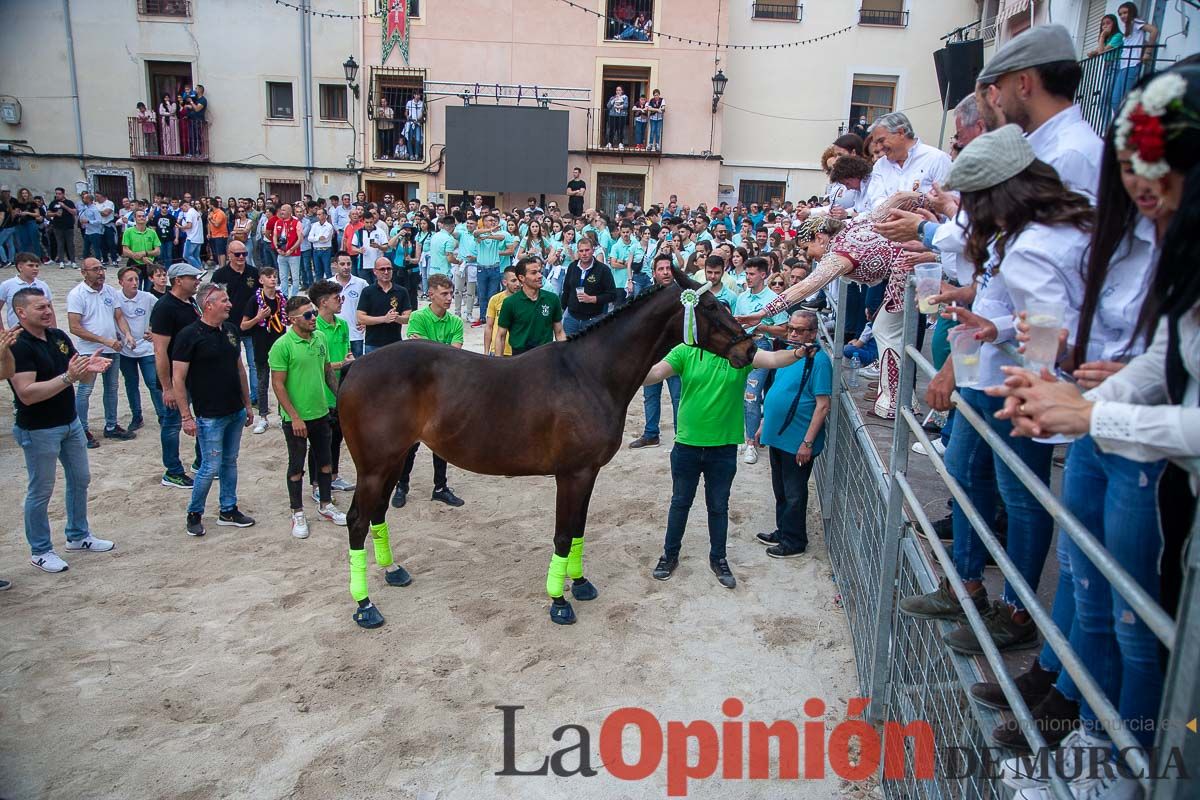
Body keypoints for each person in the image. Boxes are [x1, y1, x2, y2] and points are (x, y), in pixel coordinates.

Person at [978, 67, 1200, 792]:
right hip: (1124, 440)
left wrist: (1090, 407)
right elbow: (1162, 355)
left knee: (1139, 631)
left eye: (1158, 174)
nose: (1143, 190)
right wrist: (1081, 391)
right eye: (1131, 170)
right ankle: (1099, 746)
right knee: (1097, 602)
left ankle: (1130, 766)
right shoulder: (1174, 249)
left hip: (1155, 464)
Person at [898, 126, 1092, 661]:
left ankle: (1018, 611)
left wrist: (1033, 377)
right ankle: (965, 587)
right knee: (964, 479)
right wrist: (965, 359)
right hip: (985, 378)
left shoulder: (1042, 241)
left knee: (1020, 501)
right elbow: (984, 317)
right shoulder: (1006, 240)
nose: (966, 211)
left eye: (974, 198)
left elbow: (1048, 321)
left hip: (1018, 390)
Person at [644, 317, 824, 588]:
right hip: (687, 446)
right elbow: (654, 374)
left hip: (723, 448)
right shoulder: (685, 350)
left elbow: (775, 360)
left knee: (718, 506)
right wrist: (630, 362)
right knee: (680, 502)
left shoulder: (741, 355)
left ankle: (719, 558)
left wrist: (799, 352)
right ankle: (669, 555)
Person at [7, 288, 115, 573]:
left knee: (81, 478)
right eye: (40, 307)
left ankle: (78, 535)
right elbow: (27, 393)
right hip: (39, 428)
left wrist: (90, 367)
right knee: (41, 490)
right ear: (21, 313)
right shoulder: (18, 345)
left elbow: (79, 368)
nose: (47, 311)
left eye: (48, 306)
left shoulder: (58, 336)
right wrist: (69, 377)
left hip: (70, 422)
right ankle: (40, 550)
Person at [974, 24, 1105, 199]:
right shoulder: (1051, 149)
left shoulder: (1066, 158)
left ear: (1023, 84)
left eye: (1000, 87)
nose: (998, 100)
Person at [172, 282, 256, 537]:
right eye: (224, 300)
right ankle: (194, 512)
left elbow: (239, 368)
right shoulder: (189, 335)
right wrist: (186, 416)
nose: (229, 304)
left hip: (234, 410)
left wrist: (247, 404)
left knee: (230, 461)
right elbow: (178, 378)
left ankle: (228, 508)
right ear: (208, 304)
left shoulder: (230, 330)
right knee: (209, 466)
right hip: (209, 415)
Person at [755, 310, 832, 559]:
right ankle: (784, 530)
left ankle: (795, 541)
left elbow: (822, 405)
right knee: (781, 489)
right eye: (791, 329)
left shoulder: (819, 361)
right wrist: (763, 423)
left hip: (797, 439)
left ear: (813, 333)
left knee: (795, 492)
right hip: (778, 435)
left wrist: (807, 442)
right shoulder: (788, 355)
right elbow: (777, 390)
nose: (794, 334)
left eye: (800, 331)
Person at [269, 294, 347, 539]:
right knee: (296, 465)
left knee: (325, 462)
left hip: (321, 413)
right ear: (293, 319)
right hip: (297, 419)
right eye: (307, 315)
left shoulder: (320, 338)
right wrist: (294, 417)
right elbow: (278, 385)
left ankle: (326, 504)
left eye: (313, 312)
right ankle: (297, 512)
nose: (313, 318)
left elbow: (327, 372)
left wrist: (340, 399)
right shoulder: (283, 345)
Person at [393, 273, 466, 509]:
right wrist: (439, 352)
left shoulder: (455, 321)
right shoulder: (417, 317)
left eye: (450, 294)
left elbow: (454, 357)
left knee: (442, 442)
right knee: (410, 444)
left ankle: (441, 487)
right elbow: (418, 356)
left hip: (443, 391)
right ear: (431, 294)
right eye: (444, 294)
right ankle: (401, 485)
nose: (449, 298)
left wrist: (430, 349)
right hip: (418, 392)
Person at [67, 258, 136, 447]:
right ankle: (81, 429)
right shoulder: (77, 294)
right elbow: (75, 327)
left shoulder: (109, 291)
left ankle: (111, 425)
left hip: (112, 348)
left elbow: (119, 316)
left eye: (102, 269)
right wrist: (104, 340)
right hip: (89, 351)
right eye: (96, 269)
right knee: (85, 390)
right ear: (84, 272)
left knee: (112, 388)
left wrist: (127, 334)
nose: (101, 273)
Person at [150, 263, 204, 488]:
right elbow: (160, 350)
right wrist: (167, 387)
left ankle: (201, 462)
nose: (197, 281)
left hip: (196, 374)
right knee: (172, 424)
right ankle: (172, 470)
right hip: (176, 377)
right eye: (193, 278)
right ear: (178, 280)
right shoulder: (164, 307)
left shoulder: (190, 302)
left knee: (202, 417)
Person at [733, 257, 788, 465]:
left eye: (752, 274)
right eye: (746, 274)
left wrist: (759, 326)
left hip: (761, 346)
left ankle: (751, 443)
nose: (748, 277)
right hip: (741, 346)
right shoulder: (742, 297)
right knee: (739, 391)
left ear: (763, 275)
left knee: (751, 395)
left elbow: (784, 330)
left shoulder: (774, 299)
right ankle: (744, 435)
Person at [629, 254, 681, 449]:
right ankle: (651, 434)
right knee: (650, 395)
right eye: (661, 269)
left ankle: (680, 435)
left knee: (678, 396)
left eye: (669, 268)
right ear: (654, 273)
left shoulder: (683, 294)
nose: (666, 272)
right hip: (652, 355)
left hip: (676, 354)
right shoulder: (646, 294)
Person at [308, 280, 356, 494]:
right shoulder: (312, 327)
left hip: (340, 391)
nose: (341, 301)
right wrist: (340, 364)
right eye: (337, 298)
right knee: (318, 443)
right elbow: (315, 364)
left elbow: (346, 352)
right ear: (323, 302)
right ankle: (317, 484)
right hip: (320, 393)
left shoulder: (342, 324)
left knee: (336, 438)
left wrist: (349, 360)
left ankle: (333, 477)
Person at [863, 112, 952, 210]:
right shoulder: (880, 165)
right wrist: (896, 207)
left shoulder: (937, 159)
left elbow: (949, 202)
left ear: (901, 133)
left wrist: (920, 203)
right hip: (887, 223)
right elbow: (876, 201)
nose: (879, 147)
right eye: (876, 143)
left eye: (881, 141)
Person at [115, 266, 163, 435]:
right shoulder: (115, 298)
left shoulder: (147, 297)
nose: (135, 283)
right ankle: (137, 416)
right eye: (130, 280)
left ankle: (162, 415)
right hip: (125, 349)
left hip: (146, 348)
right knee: (131, 383)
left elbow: (162, 312)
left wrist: (153, 330)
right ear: (121, 282)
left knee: (153, 382)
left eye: (136, 279)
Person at [241, 266, 287, 433]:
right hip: (261, 345)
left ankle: (284, 416)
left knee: (282, 381)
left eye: (275, 276)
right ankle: (263, 417)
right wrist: (259, 317)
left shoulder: (282, 298)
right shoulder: (255, 300)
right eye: (269, 276)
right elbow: (243, 325)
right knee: (262, 382)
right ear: (261, 280)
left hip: (280, 345)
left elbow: (287, 319)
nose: (273, 279)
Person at [494, 256, 565, 355]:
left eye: (540, 271)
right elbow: (501, 336)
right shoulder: (510, 303)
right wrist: (499, 363)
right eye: (534, 273)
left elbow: (559, 332)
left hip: (546, 357)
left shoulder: (552, 299)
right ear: (521, 278)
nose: (540, 276)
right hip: (520, 359)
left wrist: (564, 357)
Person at [560, 237, 616, 336]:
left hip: (593, 319)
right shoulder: (572, 267)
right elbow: (566, 290)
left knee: (591, 351)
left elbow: (612, 295)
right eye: (581, 251)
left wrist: (592, 299)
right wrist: (561, 311)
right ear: (578, 252)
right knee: (568, 350)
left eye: (587, 250)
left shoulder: (603, 270)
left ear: (593, 250)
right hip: (571, 318)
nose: (584, 253)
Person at [356, 256, 410, 354]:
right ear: (375, 271)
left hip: (395, 343)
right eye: (382, 269)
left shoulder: (402, 291)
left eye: (389, 268)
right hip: (373, 344)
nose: (386, 272)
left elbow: (408, 317)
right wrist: (384, 319)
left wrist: (397, 318)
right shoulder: (367, 292)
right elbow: (360, 318)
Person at [1112, 2, 1158, 115]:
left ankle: (1127, 123)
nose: (1122, 16)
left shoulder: (1136, 22)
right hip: (1123, 65)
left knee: (1125, 99)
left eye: (1125, 12)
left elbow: (1154, 31)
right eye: (1120, 14)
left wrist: (1147, 52)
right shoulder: (1128, 27)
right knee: (1115, 100)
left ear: (1131, 12)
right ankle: (1121, 122)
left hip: (1132, 64)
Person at [0, 252, 55, 331]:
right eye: (30, 265)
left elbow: (50, 309)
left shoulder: (43, 285)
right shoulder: (7, 285)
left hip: (42, 330)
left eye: (37, 266)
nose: (35, 268)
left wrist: (53, 330)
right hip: (17, 331)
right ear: (20, 267)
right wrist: (1, 331)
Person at [332, 253, 369, 357]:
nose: (346, 267)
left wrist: (367, 322)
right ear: (335, 265)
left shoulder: (361, 283)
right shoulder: (328, 284)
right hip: (334, 336)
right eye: (342, 264)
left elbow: (371, 304)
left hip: (355, 335)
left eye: (349, 264)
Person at [484, 265, 519, 356]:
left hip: (518, 352)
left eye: (519, 280)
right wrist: (486, 352)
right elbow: (489, 327)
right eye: (513, 281)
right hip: (497, 351)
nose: (517, 284)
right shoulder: (495, 299)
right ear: (504, 282)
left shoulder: (526, 301)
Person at [121, 209, 161, 289]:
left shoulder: (152, 232)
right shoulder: (128, 232)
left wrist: (145, 253)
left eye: (143, 216)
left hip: (150, 264)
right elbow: (125, 250)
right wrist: (138, 256)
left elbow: (157, 251)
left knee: (149, 290)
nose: (142, 218)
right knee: (135, 289)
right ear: (135, 218)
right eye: (139, 216)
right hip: (134, 264)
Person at [272, 204, 304, 297]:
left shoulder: (296, 222)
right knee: (283, 277)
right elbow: (274, 236)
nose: (282, 212)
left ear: (290, 212)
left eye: (284, 210)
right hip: (281, 253)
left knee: (295, 277)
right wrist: (277, 248)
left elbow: (300, 239)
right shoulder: (278, 222)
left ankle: (294, 296)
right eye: (281, 210)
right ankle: (284, 296)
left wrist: (291, 249)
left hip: (293, 254)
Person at [46, 187, 78, 268]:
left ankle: (72, 261)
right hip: (57, 226)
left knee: (70, 244)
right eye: (56, 193)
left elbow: (74, 212)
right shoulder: (53, 203)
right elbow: (48, 213)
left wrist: (64, 206)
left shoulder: (69, 202)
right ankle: (61, 261)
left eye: (59, 194)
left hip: (68, 226)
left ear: (63, 194)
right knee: (60, 244)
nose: (57, 195)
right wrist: (55, 214)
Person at [177, 199, 205, 271]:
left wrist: (181, 227)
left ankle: (200, 269)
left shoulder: (189, 213)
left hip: (192, 238)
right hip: (199, 238)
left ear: (185, 205)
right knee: (196, 256)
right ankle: (199, 272)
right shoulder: (196, 212)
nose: (182, 210)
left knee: (186, 255)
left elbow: (189, 225)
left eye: (182, 208)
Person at [404, 90, 425, 160]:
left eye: (419, 95)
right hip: (410, 123)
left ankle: (416, 154)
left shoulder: (422, 103)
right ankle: (411, 155)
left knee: (418, 140)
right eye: (417, 95)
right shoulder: (409, 103)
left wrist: (419, 119)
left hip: (418, 123)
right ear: (414, 95)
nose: (418, 96)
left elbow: (423, 114)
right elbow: (406, 112)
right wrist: (407, 117)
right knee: (409, 139)